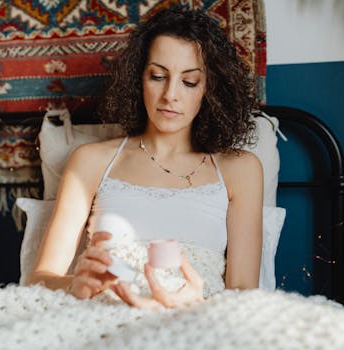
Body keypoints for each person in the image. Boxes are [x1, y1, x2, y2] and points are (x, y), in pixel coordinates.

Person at [28, 7, 263, 309]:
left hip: (198, 322)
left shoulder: (240, 169)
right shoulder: (90, 161)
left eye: (189, 81)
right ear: (138, 79)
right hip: (102, 319)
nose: (170, 95)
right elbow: (39, 279)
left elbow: (243, 292)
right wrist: (74, 285)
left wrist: (196, 303)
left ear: (210, 89)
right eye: (158, 76)